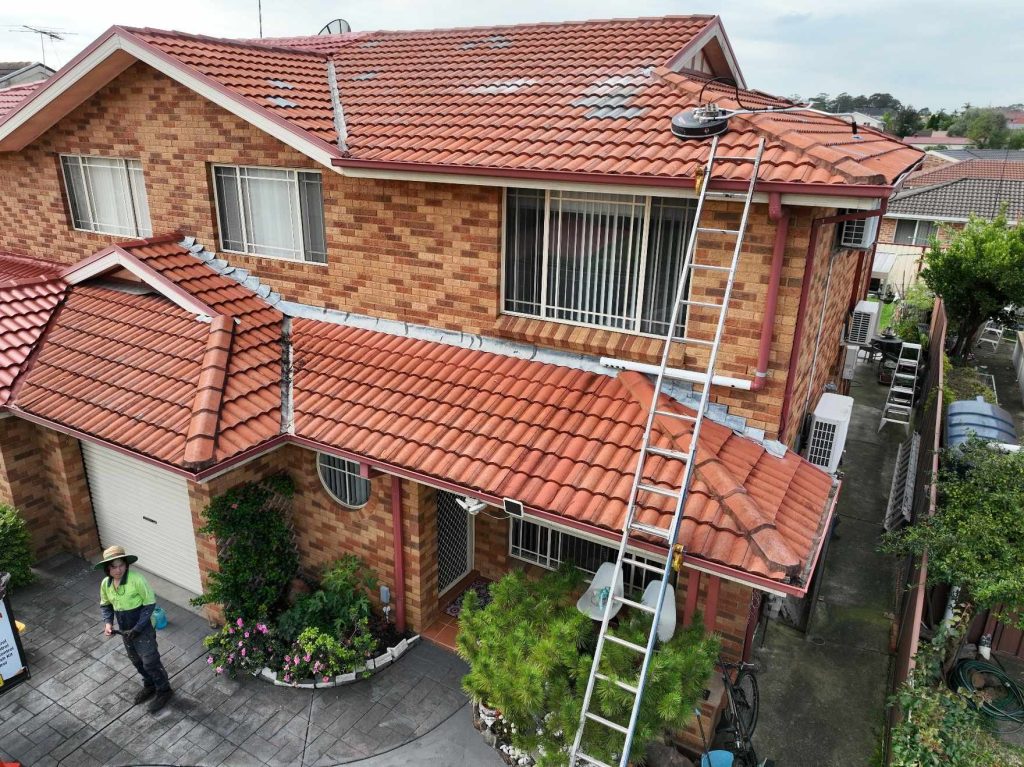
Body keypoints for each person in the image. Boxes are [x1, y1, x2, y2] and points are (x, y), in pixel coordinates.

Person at [96, 545, 172, 712]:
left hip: (143, 628)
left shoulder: (137, 579)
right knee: (136, 660)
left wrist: (138, 627)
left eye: (121, 565)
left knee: (150, 661)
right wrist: (108, 623)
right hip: (125, 630)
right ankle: (149, 684)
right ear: (107, 568)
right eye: (113, 566)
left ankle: (164, 689)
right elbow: (106, 605)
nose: (118, 570)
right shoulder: (105, 584)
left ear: (126, 565)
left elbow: (149, 604)